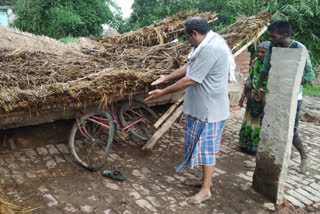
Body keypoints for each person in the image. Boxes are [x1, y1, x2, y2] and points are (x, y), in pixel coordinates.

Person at [145, 16, 235, 204]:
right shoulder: (207, 42)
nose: (187, 40)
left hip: (210, 111)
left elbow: (190, 78)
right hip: (202, 108)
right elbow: (190, 66)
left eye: (187, 36)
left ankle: (206, 190)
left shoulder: (211, 48)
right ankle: (204, 180)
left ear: (194, 33)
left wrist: (163, 92)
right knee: (202, 148)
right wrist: (166, 77)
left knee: (207, 151)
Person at [255, 21, 314, 173]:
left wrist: (291, 85)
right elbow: (266, 67)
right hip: (274, 93)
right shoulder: (273, 47)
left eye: (273, 36)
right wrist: (258, 87)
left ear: (284, 35)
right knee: (266, 124)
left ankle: (304, 157)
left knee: (291, 131)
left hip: (293, 97)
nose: (271, 38)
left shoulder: (299, 49)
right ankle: (268, 157)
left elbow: (309, 74)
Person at [238, 41, 270, 153]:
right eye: (259, 51)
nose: (260, 54)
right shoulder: (255, 61)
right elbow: (250, 80)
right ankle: (244, 144)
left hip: (264, 98)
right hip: (252, 95)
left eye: (263, 52)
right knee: (248, 119)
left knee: (258, 122)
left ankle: (255, 148)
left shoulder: (272, 65)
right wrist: (243, 97)